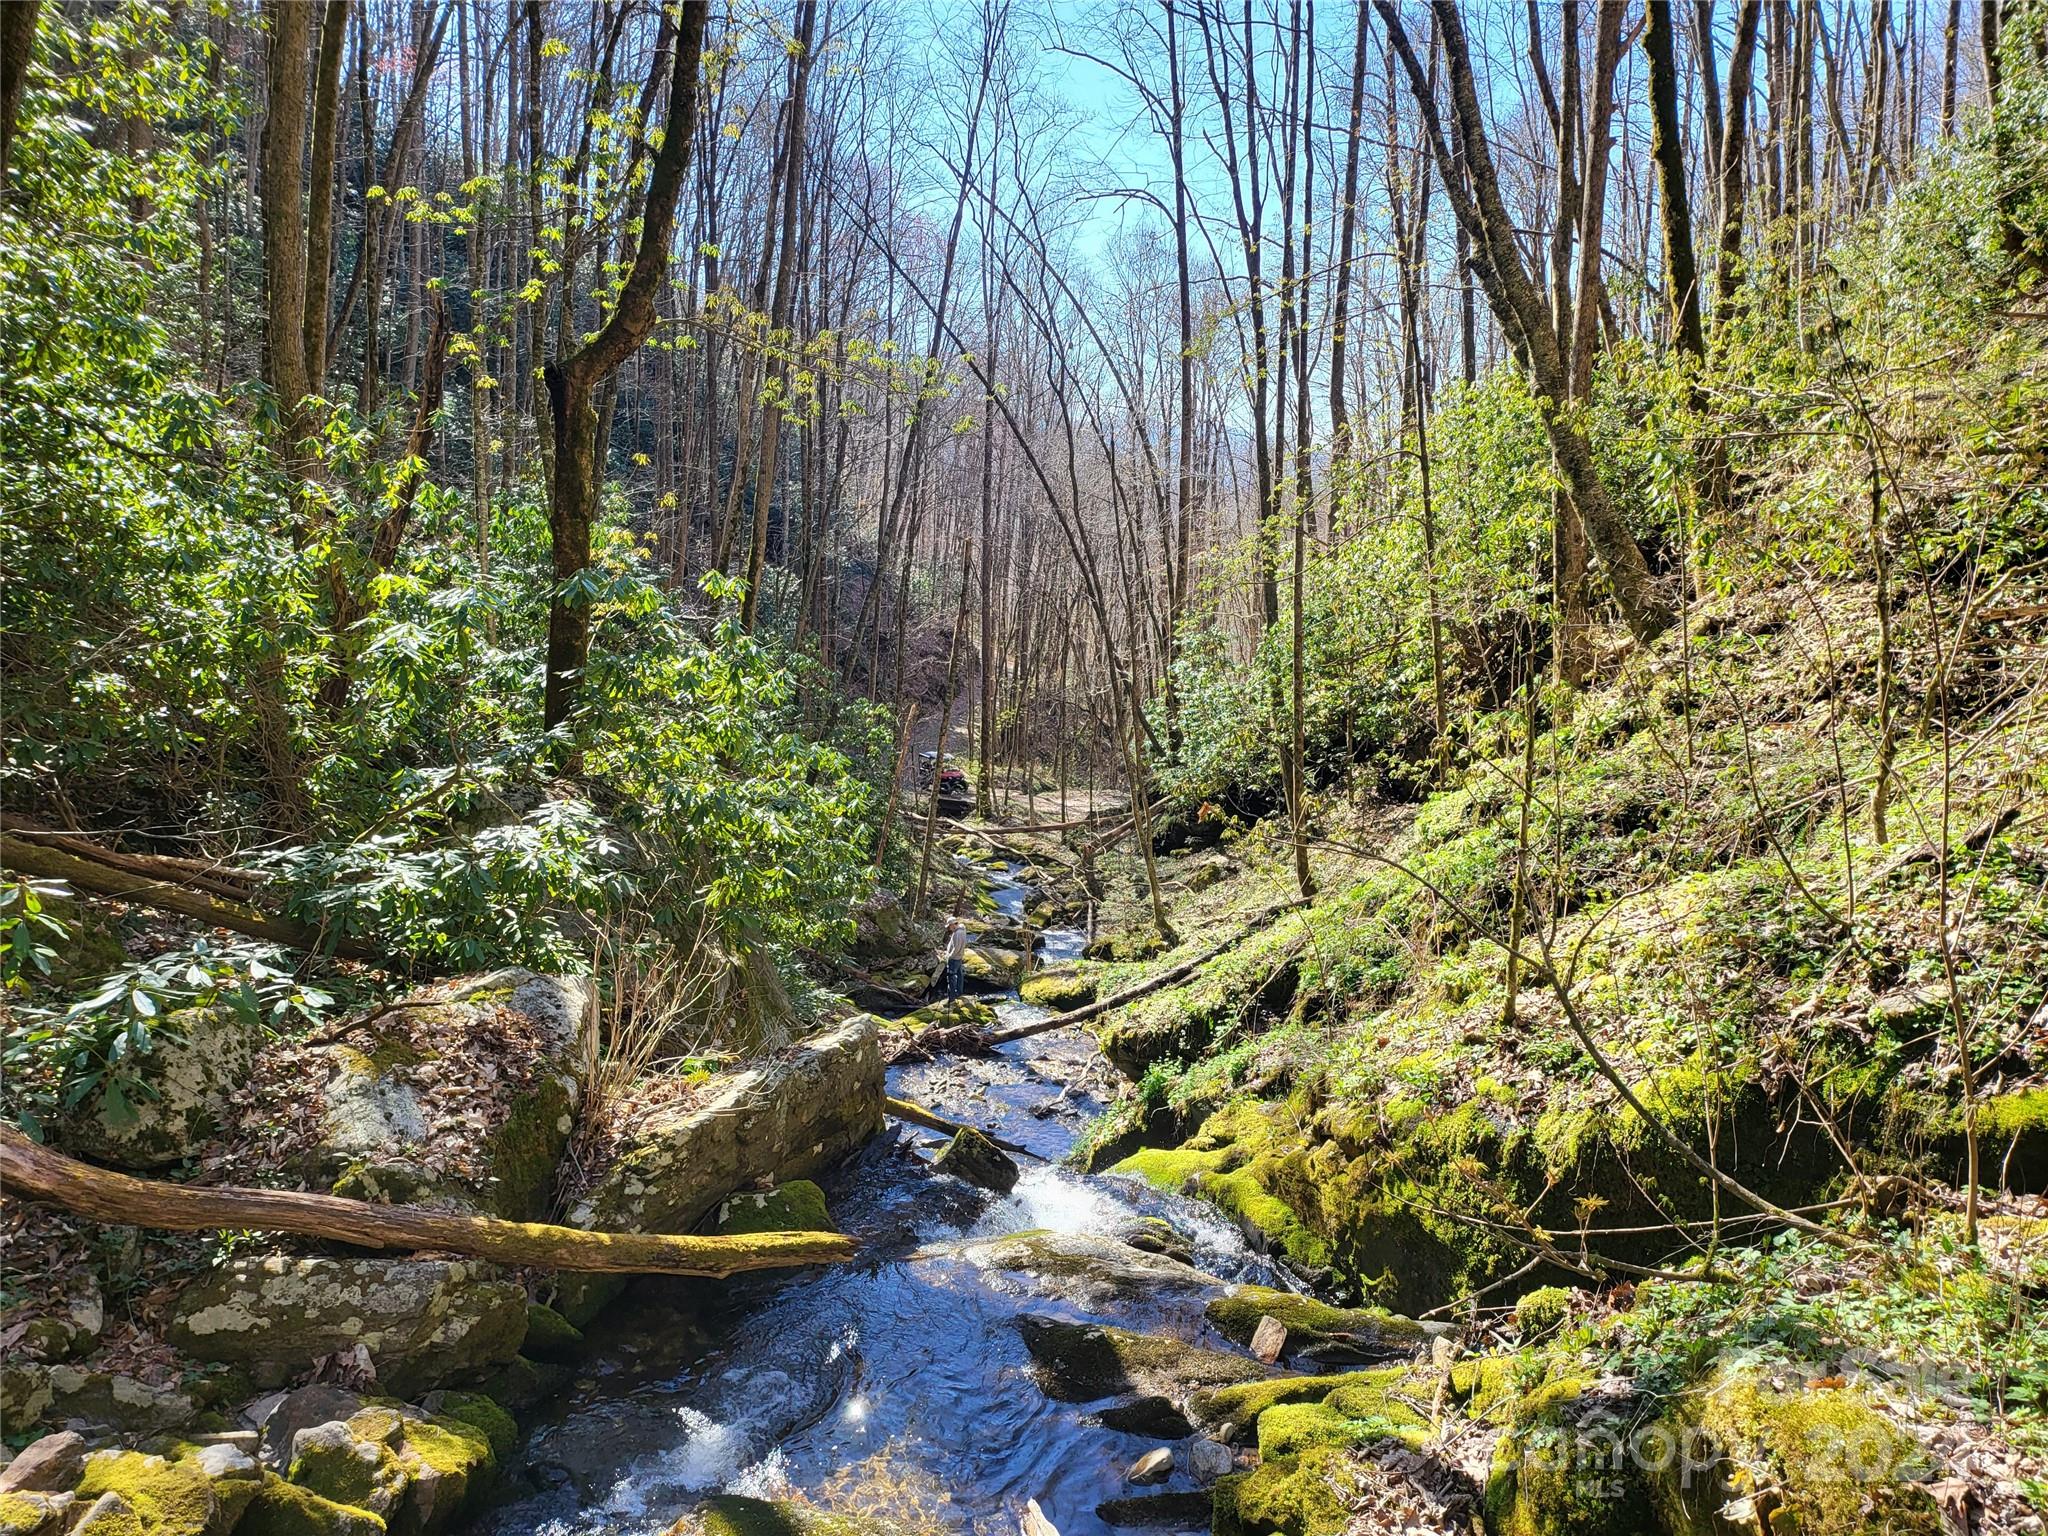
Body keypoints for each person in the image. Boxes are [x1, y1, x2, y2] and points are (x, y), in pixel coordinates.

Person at [941, 917, 969, 1001]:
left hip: (954, 959)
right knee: (960, 975)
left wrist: (949, 956)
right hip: (959, 958)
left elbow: (956, 948)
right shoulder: (962, 930)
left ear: (953, 925)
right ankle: (959, 993)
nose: (949, 928)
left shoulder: (957, 933)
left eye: (949, 926)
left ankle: (951, 998)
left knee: (951, 978)